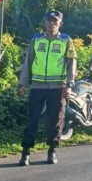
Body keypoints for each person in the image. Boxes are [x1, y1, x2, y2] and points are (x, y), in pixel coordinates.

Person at [17, 10, 77, 166]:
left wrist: (69, 85)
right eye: (49, 20)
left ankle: (52, 151)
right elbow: (28, 62)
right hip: (37, 86)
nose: (52, 23)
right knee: (32, 119)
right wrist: (23, 84)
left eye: (55, 21)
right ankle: (26, 153)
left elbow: (72, 63)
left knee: (56, 120)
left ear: (60, 23)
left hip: (58, 86)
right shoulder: (36, 39)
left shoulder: (66, 40)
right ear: (45, 22)